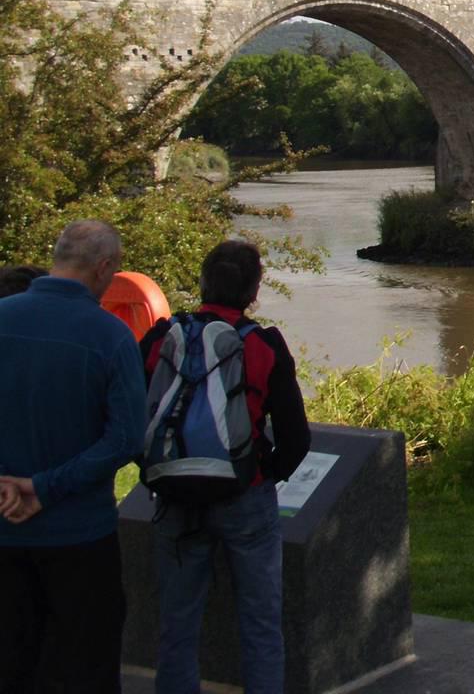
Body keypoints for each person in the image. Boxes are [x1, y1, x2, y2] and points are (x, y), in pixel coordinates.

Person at [139, 239, 309, 694]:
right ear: (254, 292)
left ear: (202, 283)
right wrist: (262, 472)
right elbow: (296, 439)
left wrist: (158, 469)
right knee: (260, 622)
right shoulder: (264, 345)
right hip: (244, 496)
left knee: (177, 623)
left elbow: (135, 416)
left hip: (174, 495)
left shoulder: (162, 337)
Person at [0, 220, 146, 693]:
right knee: (85, 667)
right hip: (79, 536)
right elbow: (125, 439)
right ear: (103, 268)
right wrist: (44, 488)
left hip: (4, 531)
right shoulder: (111, 336)